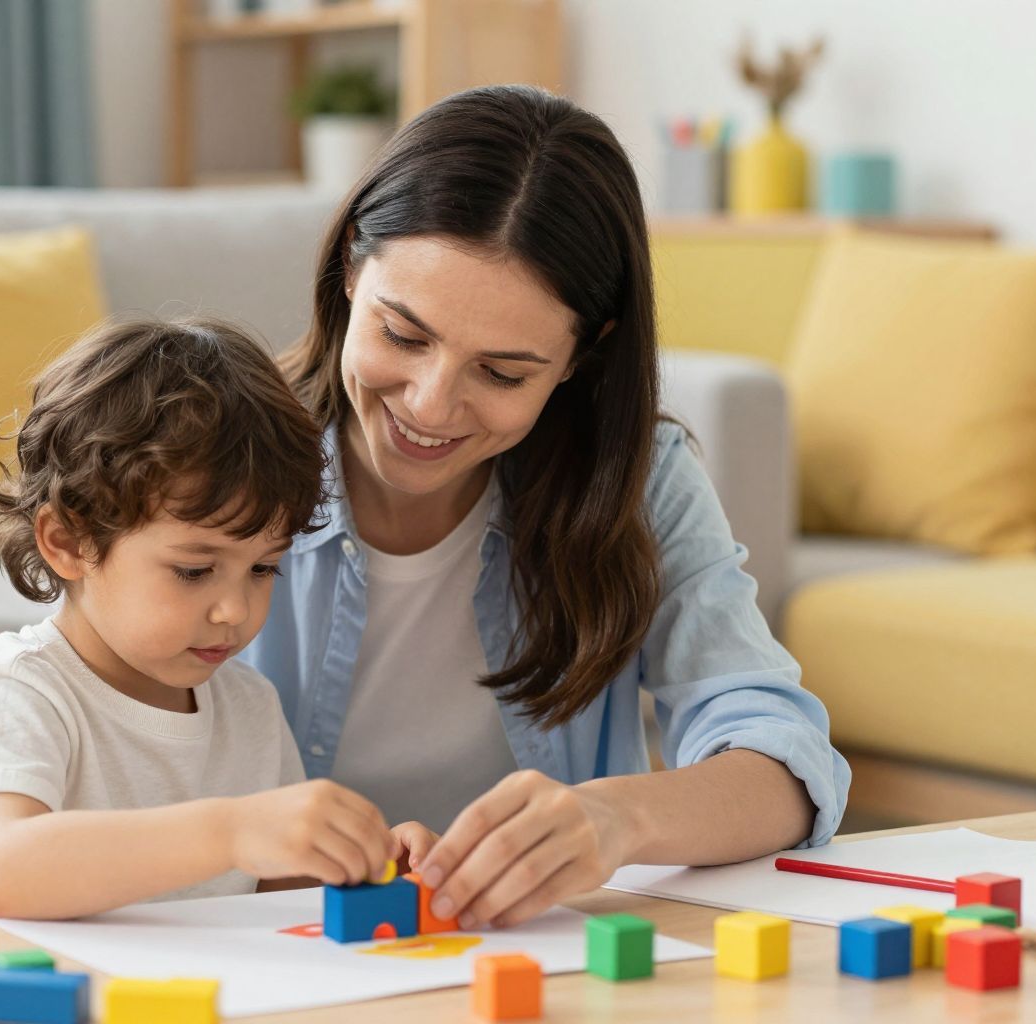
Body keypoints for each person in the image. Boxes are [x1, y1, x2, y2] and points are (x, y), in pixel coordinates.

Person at [243, 85, 851, 932]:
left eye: (502, 372)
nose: (430, 403)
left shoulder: (635, 481)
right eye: (403, 335)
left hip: (540, 962)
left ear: (579, 358)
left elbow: (785, 760)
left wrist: (617, 818)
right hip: (264, 959)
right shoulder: (219, 454)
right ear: (351, 269)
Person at [0, 315, 432, 926]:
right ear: (69, 541)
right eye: (193, 571)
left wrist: (366, 863)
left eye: (263, 569)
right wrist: (230, 831)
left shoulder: (248, 706)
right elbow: (5, 871)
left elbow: (275, 890)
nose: (235, 610)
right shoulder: (17, 696)